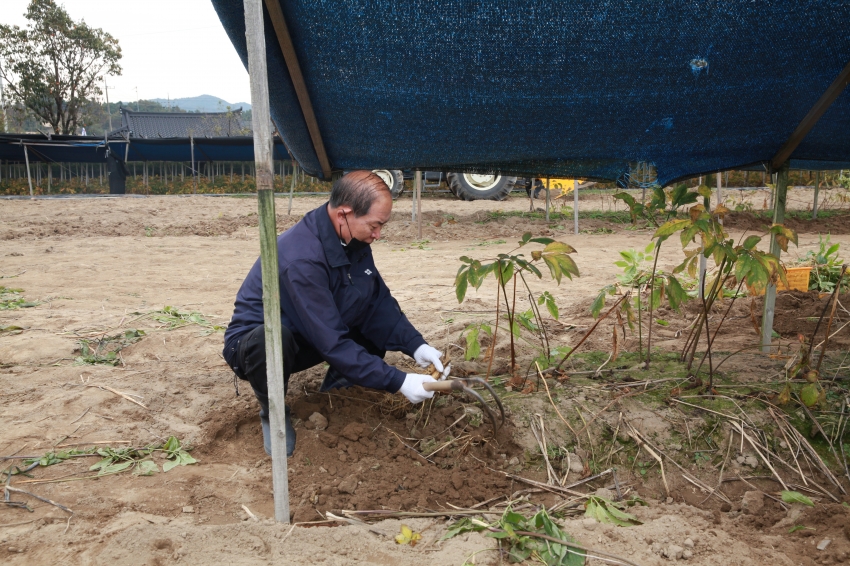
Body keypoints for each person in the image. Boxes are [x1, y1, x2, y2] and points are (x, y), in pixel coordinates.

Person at [223, 170, 450, 456]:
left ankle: (340, 383)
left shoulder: (352, 237)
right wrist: (399, 381)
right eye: (375, 225)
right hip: (260, 347)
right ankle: (273, 411)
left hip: (309, 331)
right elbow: (330, 339)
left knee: (364, 309)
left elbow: (376, 302)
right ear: (344, 214)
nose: (378, 235)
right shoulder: (301, 258)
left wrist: (417, 346)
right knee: (270, 338)